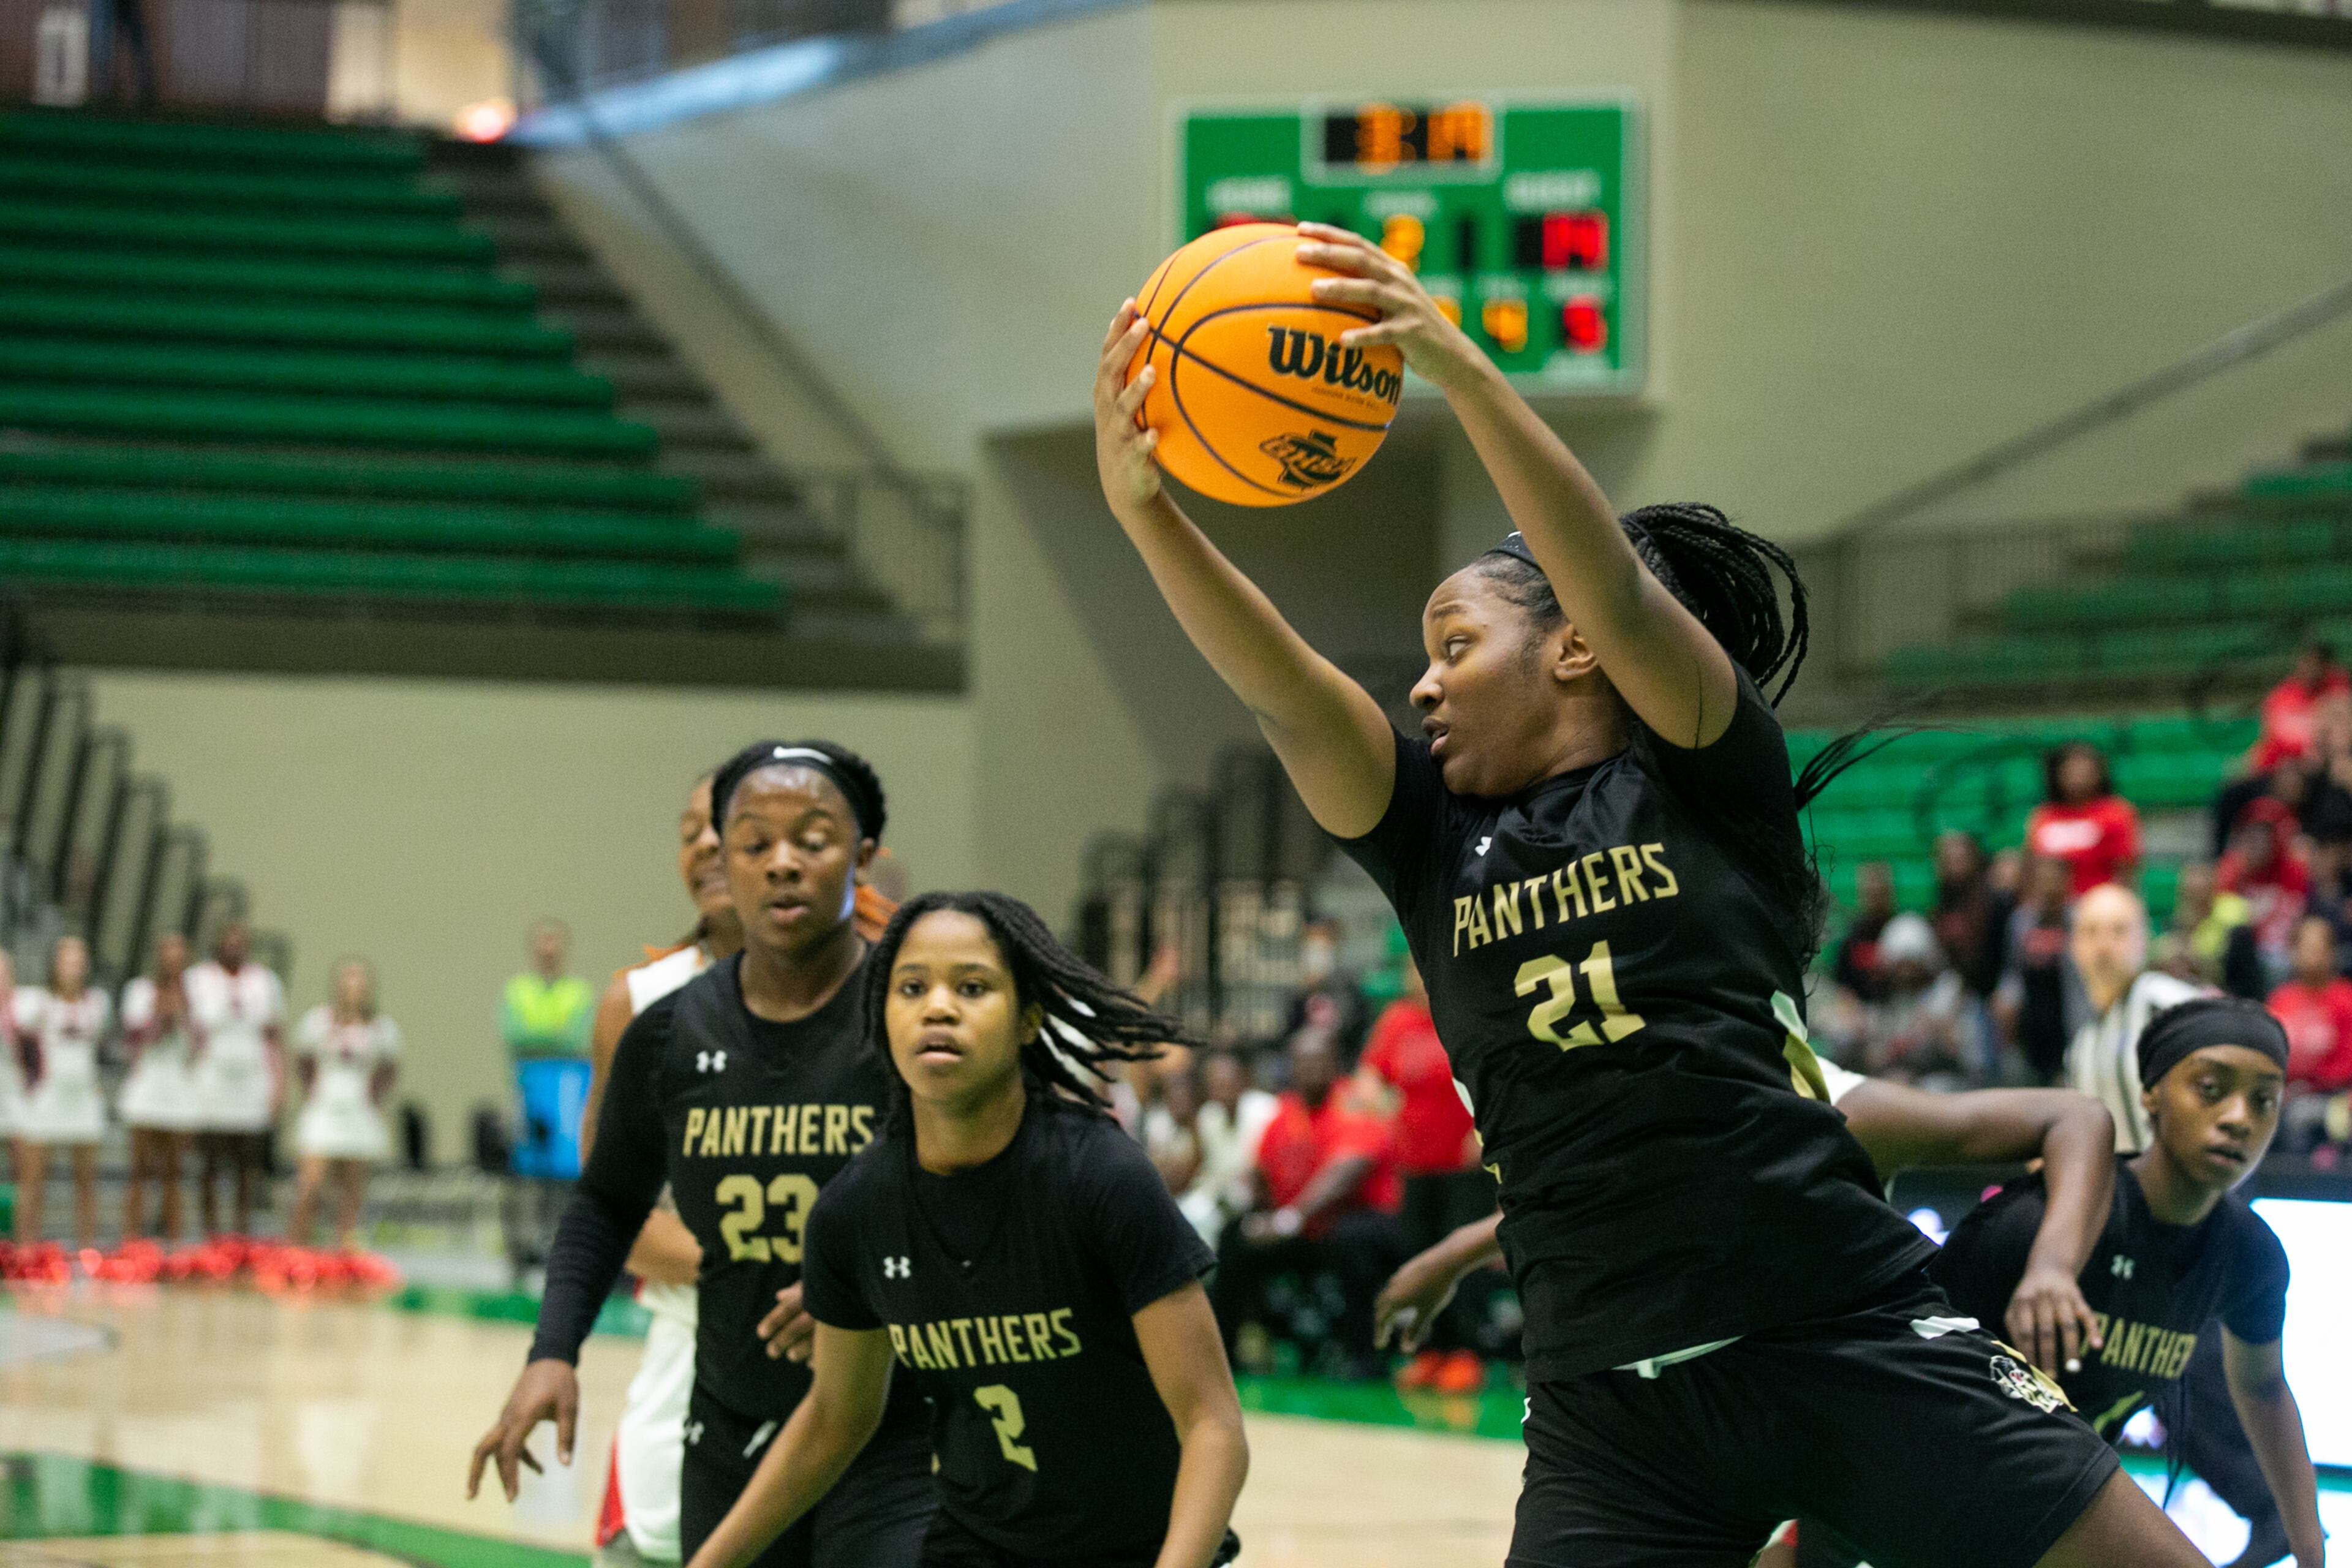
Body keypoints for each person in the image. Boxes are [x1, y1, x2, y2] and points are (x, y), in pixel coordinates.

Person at [1093, 224, 2206, 1566]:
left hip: (1837, 1325)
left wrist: (1460, 368)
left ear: (1570, 642)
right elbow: (1281, 685)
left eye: (1457, 646)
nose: (1424, 685)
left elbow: (1613, 581)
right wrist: (1148, 512)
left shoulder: (1703, 774)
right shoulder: (1432, 838)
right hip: (1612, 1399)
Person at [470, 741, 935, 1568]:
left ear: (862, 855)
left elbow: (995, 1204)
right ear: (725, 857)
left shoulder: (911, 1019)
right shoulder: (670, 1030)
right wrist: (553, 1351)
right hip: (726, 1415)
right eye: (755, 843)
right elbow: (607, 1201)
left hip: (897, 1429)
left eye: (814, 840)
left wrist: (871, 1280)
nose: (783, 864)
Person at [684, 892, 1248, 1568]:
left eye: (973, 987)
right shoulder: (854, 1211)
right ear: (881, 1017)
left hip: (1141, 1551)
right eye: (912, 987)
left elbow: (1214, 1425)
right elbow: (835, 1417)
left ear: (1028, 1021)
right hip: (977, 1548)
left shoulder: (1101, 1176)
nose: (939, 1007)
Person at [1378, 1063, 2124, 1568]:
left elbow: (2076, 1116)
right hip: (1681, 1425)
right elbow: (1581, 1200)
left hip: (1858, 1396)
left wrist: (2054, 1264)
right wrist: (1445, 1257)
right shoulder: (1630, 1109)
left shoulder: (1834, 1112)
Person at [584, 771, 897, 1568]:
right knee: (652, 1544)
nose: (709, 849)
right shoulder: (646, 1000)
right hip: (702, 1342)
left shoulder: (891, 989)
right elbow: (606, 1208)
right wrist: (741, 1267)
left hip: (880, 1345)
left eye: (731, 834)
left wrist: (853, 1281)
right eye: (694, 832)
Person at [1932, 1000, 2327, 1568]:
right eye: (2211, 1089)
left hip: (2054, 1503)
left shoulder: (2250, 1254)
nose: (2240, 1117)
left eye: (2264, 1101)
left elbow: (2263, 1387)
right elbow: (1902, 1351)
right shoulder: (2041, 1222)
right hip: (1938, 1484)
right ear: (2151, 1095)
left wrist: (2311, 1548)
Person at [1352, 949, 1493, 1391]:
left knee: (1461, 1258)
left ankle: (1467, 1354)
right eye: (1413, 968)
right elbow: (1369, 1076)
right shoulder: (1396, 1022)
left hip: (1462, 1165)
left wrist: (1483, 1129)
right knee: (1419, 1254)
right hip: (1413, 1165)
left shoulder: (1468, 1011)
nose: (1419, 975)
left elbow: (1494, 1075)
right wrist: (1375, 1096)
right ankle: (1430, 1352)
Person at [2065, 884, 2207, 1153]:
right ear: (2074, 946)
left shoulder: (2173, 1006)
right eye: (2091, 932)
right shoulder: (2084, 1041)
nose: (2104, 945)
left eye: (2119, 931)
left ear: (2142, 941)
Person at [287, 959, 401, 1250]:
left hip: (358, 1108)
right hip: (326, 1105)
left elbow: (389, 1067)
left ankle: (343, 1249)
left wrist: (373, 1096)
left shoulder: (380, 1028)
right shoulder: (318, 1022)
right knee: (310, 1184)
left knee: (351, 1188)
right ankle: (297, 1246)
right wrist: (312, 1090)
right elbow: (303, 1061)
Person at [185, 921, 287, 1237]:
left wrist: (278, 1083)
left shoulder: (265, 982)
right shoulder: (198, 979)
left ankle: (242, 1231)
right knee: (211, 1160)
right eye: (228, 939)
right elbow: (189, 1034)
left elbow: (274, 1037)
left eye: (240, 940)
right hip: (212, 1072)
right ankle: (210, 1232)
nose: (234, 946)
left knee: (247, 1161)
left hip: (250, 1075)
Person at [13, 935, 111, 1249]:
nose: (72, 967)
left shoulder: (96, 1004)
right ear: (54, 965)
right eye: (66, 960)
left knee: (85, 1183)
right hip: (49, 1094)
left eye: (78, 960)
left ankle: (86, 1251)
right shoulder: (37, 1004)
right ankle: (24, 1251)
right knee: (32, 1181)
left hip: (82, 1096)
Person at [119, 933, 200, 1243]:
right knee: (139, 1168)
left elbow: (199, 1045)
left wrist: (185, 1012)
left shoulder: (197, 996)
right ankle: (131, 1238)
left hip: (178, 1083)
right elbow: (134, 1041)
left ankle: (174, 1240)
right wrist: (160, 1016)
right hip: (147, 1081)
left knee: (173, 1172)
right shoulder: (139, 991)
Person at [1996, 854, 2082, 1083]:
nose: (2049, 887)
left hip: (2069, 1020)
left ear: (2066, 882)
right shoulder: (2021, 921)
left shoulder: (2081, 921)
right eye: (2043, 880)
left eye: (2054, 880)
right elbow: (2012, 970)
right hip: (2032, 1023)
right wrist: (2007, 999)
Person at [2027, 742, 2141, 897]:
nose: (2077, 777)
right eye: (2070, 771)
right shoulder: (2044, 816)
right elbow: (2031, 866)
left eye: (2084, 770)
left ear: (2098, 774)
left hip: (2099, 904)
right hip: (2052, 905)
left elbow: (2125, 870)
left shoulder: (2115, 814)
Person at [2267, 915, 2352, 1096]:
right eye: (2306, 948)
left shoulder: (2346, 999)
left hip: (2331, 1094)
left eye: (2319, 949)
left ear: (2332, 952)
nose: (2312, 956)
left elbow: (2347, 1063)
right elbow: (2270, 1052)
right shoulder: (2281, 999)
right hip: (2285, 1091)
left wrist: (2309, 1085)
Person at [2170, 861, 2265, 1001]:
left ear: (2212, 888)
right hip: (2200, 984)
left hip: (2233, 977)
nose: (2196, 896)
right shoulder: (2181, 922)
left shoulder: (2233, 908)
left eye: (2201, 890)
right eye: (2192, 892)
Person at [504, 919, 597, 1061]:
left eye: (553, 941)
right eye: (544, 941)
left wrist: (535, 1038)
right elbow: (514, 1037)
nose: (548, 950)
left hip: (570, 1074)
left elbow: (580, 1040)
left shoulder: (580, 992)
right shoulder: (516, 990)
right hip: (528, 1075)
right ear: (531, 948)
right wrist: (559, 1037)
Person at [1829, 862, 1898, 1004]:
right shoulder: (1852, 936)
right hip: (1860, 1011)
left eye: (1880, 892)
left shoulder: (1903, 932)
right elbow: (1842, 984)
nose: (1875, 899)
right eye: (1871, 892)